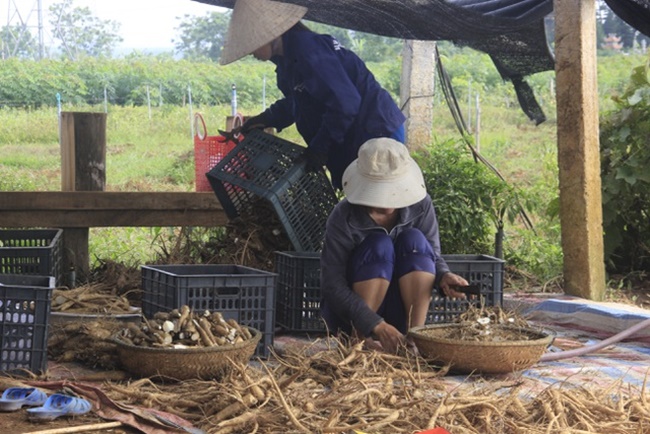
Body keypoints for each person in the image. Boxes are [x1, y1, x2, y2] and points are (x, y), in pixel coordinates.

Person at [219, 0, 406, 190]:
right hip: (355, 131)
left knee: (379, 200)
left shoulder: (309, 51)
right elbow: (299, 101)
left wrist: (320, 147)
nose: (250, 52)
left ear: (270, 34)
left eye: (250, 44)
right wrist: (266, 118)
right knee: (359, 199)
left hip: (375, 131)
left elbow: (345, 104)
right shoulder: (286, 62)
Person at [319, 137, 470, 353]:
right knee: (379, 246)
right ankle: (359, 341)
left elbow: (432, 256)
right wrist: (374, 324)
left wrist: (444, 276)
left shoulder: (421, 206)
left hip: (402, 304)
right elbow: (332, 284)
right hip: (354, 315)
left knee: (415, 241)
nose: (388, 205)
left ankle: (414, 339)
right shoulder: (344, 216)